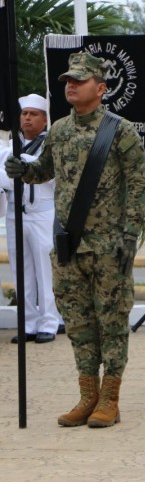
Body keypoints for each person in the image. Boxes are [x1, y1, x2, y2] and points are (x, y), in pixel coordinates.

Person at [4, 52, 145, 428]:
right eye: (69, 79)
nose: (70, 84)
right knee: (80, 324)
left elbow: (139, 183)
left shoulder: (120, 131)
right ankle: (87, 396)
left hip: (108, 247)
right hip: (69, 246)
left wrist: (130, 234)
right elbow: (45, 172)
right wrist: (24, 170)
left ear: (100, 89)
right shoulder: (60, 131)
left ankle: (110, 399)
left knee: (112, 322)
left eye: (80, 80)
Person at [0, 94, 63, 344]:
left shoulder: (51, 145)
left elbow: (52, 175)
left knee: (45, 269)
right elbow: (4, 179)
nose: (27, 118)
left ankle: (50, 321)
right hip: (16, 212)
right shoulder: (11, 145)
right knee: (21, 270)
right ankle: (28, 322)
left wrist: (23, 164)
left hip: (43, 212)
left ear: (45, 119)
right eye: (24, 113)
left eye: (33, 114)